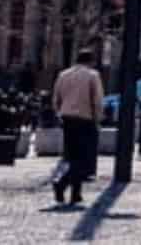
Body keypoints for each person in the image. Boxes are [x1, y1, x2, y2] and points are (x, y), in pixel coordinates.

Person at [50, 48, 103, 207]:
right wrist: (98, 119)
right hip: (85, 119)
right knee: (83, 158)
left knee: (70, 156)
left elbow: (56, 98)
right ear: (91, 61)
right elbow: (97, 99)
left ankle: (75, 193)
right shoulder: (93, 75)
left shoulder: (63, 75)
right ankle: (62, 184)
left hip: (67, 119)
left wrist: (59, 113)